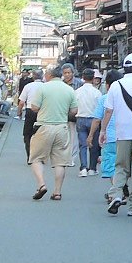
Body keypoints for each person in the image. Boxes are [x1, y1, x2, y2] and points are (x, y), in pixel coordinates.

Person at [102, 55, 132, 215]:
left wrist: (102, 131)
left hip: (121, 133)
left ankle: (116, 194)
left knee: (121, 167)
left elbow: (108, 110)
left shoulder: (116, 85)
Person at [25, 63, 79, 201]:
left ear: (49, 75)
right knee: (60, 162)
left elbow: (34, 107)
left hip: (44, 127)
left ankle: (41, 184)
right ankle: (57, 192)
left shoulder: (43, 88)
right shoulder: (68, 90)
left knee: (36, 158)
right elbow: (74, 111)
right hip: (62, 128)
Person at [72, 69, 104, 177]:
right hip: (93, 119)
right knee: (94, 145)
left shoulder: (77, 92)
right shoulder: (97, 93)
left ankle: (83, 168)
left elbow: (74, 106)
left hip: (80, 118)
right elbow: (100, 108)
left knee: (82, 144)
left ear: (83, 77)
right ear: (93, 78)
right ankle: (92, 168)